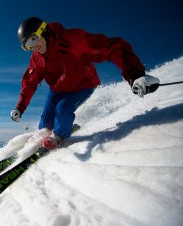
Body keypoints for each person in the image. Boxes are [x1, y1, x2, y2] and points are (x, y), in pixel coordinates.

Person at [10, 17, 160, 150]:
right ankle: (45, 133)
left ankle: (59, 137)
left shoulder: (73, 40)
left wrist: (135, 75)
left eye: (33, 40)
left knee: (62, 109)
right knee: (46, 120)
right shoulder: (37, 57)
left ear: (44, 31)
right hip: (57, 89)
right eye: (27, 45)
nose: (33, 47)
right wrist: (20, 107)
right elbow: (29, 82)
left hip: (82, 86)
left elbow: (113, 48)